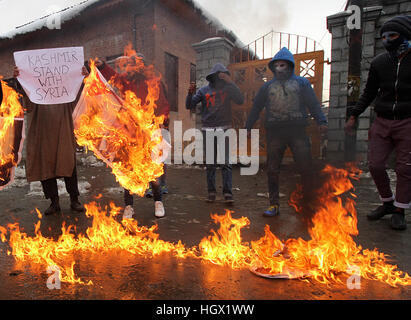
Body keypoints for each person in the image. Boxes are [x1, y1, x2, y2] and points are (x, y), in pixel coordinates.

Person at [345, 16, 411, 231]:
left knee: (405, 168)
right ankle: (387, 203)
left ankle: (400, 211)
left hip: (407, 121)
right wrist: (354, 114)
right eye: (383, 37)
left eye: (392, 36)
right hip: (382, 120)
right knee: (375, 164)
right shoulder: (380, 62)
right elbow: (369, 92)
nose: (387, 40)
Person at [245, 47, 328, 218]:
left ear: (290, 66)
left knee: (305, 168)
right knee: (272, 169)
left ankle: (308, 203)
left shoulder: (302, 83)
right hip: (275, 132)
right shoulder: (267, 87)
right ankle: (274, 204)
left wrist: (321, 121)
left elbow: (313, 104)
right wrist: (248, 126)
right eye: (277, 65)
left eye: (283, 65)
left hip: (297, 131)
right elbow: (256, 107)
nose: (279, 68)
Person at [96, 54, 169, 219]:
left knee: (153, 170)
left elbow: (164, 104)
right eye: (129, 65)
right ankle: (128, 206)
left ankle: (158, 202)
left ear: (142, 66)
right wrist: (101, 66)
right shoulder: (125, 82)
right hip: (129, 133)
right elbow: (112, 77)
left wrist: (163, 121)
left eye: (135, 64)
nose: (131, 68)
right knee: (128, 170)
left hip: (149, 132)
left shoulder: (154, 81)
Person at [12, 66, 88, 216]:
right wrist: (19, 79)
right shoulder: (36, 93)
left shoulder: (65, 92)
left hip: (63, 130)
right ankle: (54, 202)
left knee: (68, 165)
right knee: (46, 168)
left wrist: (82, 78)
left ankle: (74, 199)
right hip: (43, 133)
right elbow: (23, 94)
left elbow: (79, 94)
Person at [186, 63, 244, 204]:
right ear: (211, 77)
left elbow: (240, 100)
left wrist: (230, 82)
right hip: (209, 130)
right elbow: (189, 105)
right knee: (211, 163)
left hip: (224, 129)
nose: (219, 79)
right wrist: (190, 93)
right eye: (216, 76)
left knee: (225, 163)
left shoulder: (228, 89)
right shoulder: (204, 90)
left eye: (222, 75)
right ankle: (211, 192)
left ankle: (228, 193)